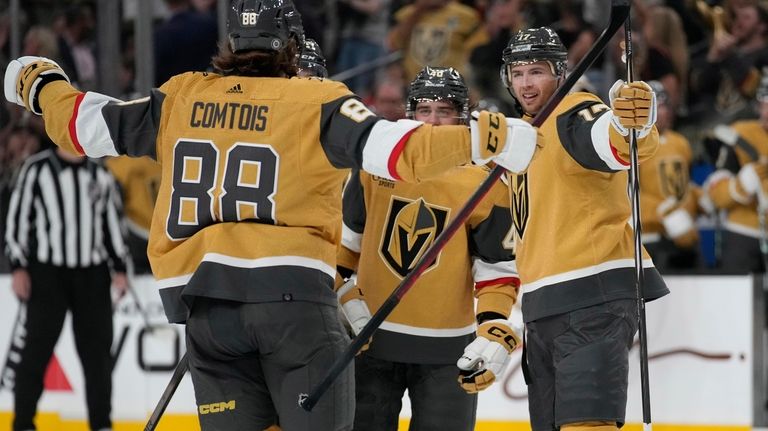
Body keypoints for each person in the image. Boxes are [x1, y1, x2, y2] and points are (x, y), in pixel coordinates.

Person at [2, 1, 541, 429]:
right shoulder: (316, 100)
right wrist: (483, 136)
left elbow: (85, 126)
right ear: (289, 46)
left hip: (206, 310)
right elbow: (399, 151)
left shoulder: (182, 95)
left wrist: (41, 85)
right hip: (291, 304)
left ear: (230, 44)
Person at [498, 27, 669, 431]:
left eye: (536, 71)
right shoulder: (520, 134)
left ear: (560, 72)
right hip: (542, 306)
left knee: (587, 427)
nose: (525, 83)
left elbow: (609, 140)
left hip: (592, 298)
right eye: (517, 72)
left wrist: (633, 125)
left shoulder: (571, 110)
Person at [337, 66, 519, 430]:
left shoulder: (486, 181)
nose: (433, 122)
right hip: (371, 339)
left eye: (444, 110)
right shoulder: (374, 166)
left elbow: (495, 269)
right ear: (410, 113)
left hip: (447, 349)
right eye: (424, 110)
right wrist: (340, 289)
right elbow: (345, 245)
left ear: (462, 116)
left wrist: (493, 324)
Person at [4, 146, 129, 431]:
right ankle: (23, 422)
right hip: (48, 272)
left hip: (92, 274)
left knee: (97, 355)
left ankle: (101, 424)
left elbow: (112, 224)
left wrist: (120, 268)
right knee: (36, 349)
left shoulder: (100, 174)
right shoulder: (37, 170)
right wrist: (19, 267)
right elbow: (17, 221)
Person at [703, 70, 768, 273]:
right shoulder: (740, 133)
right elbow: (716, 196)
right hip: (743, 234)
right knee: (736, 300)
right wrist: (740, 186)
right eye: (765, 103)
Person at [639, 81, 702, 271]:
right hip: (651, 238)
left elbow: (683, 183)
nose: (660, 113)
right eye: (653, 107)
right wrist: (662, 213)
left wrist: (698, 197)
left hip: (685, 232)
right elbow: (624, 195)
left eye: (663, 106)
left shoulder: (680, 142)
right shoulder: (634, 144)